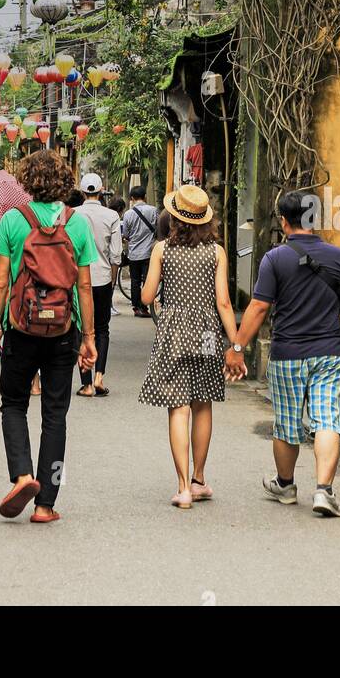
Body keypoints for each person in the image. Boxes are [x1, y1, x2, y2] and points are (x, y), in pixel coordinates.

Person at [224, 189, 340, 518]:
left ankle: (286, 485)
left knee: (287, 423)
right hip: (329, 352)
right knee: (327, 420)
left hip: (287, 353)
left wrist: (237, 347)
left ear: (284, 221)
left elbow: (260, 306)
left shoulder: (275, 258)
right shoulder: (339, 255)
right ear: (314, 219)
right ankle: (324, 491)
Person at [0, 149, 98, 524]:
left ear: (28, 181)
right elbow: (83, 284)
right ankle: (46, 504)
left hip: (21, 327)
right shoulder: (77, 223)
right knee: (55, 415)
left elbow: (0, 280)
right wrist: (89, 337)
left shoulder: (13, 220)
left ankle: (23, 475)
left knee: (13, 403)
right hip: (64, 330)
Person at [138, 185, 239, 509]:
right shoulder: (217, 252)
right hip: (208, 332)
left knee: (178, 408)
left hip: (173, 332)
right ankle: (199, 479)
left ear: (175, 218)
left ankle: (182, 488)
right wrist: (235, 344)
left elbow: (146, 297)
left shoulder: (162, 250)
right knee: (203, 403)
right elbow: (223, 301)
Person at [75, 174, 121, 398]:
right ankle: (99, 376)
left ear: (82, 191)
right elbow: (116, 255)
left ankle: (86, 384)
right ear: (101, 190)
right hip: (102, 279)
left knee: (81, 329)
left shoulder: (72, 215)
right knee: (102, 328)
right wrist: (111, 281)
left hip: (77, 279)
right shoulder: (112, 215)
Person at [122, 186, 158, 317]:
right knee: (147, 280)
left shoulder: (128, 214)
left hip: (134, 254)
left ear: (132, 198)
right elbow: (156, 229)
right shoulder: (153, 210)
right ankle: (145, 307)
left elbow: (125, 233)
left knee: (135, 281)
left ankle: (136, 307)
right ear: (145, 197)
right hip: (149, 253)